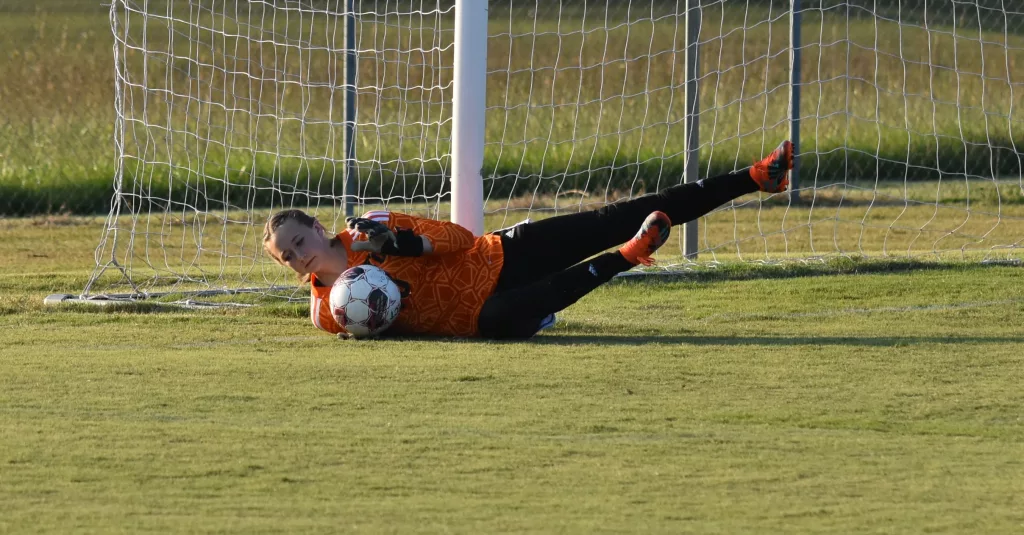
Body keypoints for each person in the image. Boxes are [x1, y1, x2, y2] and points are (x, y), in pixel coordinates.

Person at [263, 140, 794, 339]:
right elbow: (390, 328)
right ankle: (629, 257)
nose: (296, 256)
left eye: (297, 241)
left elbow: (459, 237)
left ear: (317, 228)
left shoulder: (371, 226)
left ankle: (754, 177)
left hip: (500, 254)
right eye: (286, 256)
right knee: (503, 318)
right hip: (481, 314)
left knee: (617, 215)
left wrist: (395, 244)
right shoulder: (325, 313)